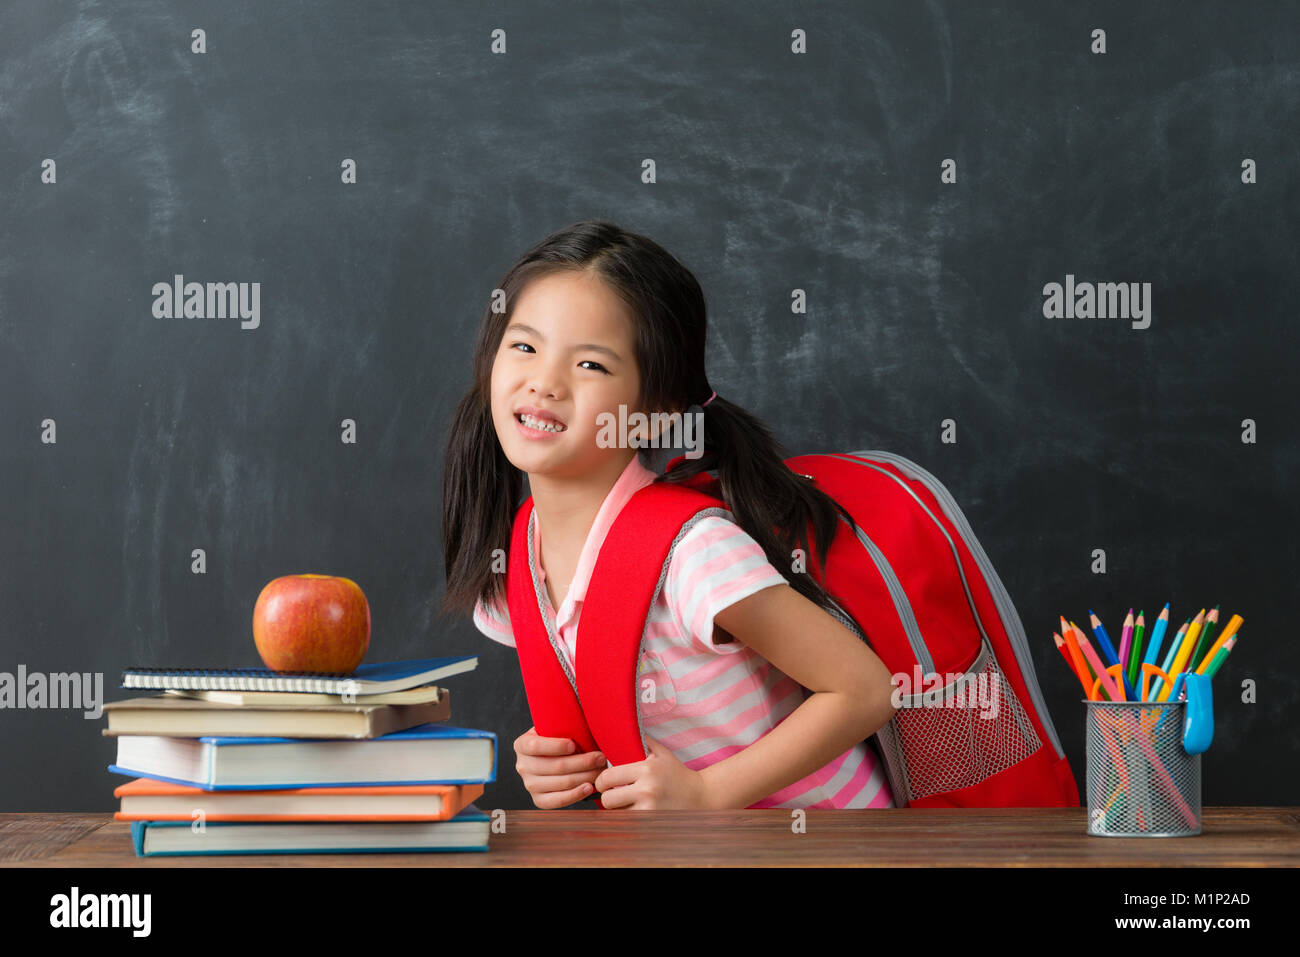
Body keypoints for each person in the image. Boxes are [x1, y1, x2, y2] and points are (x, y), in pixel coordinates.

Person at [439, 220, 898, 810]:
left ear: (655, 412)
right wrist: (550, 762)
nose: (545, 383)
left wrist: (707, 793)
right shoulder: (515, 564)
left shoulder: (695, 554)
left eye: (592, 366)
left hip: (825, 845)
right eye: (524, 346)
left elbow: (865, 690)